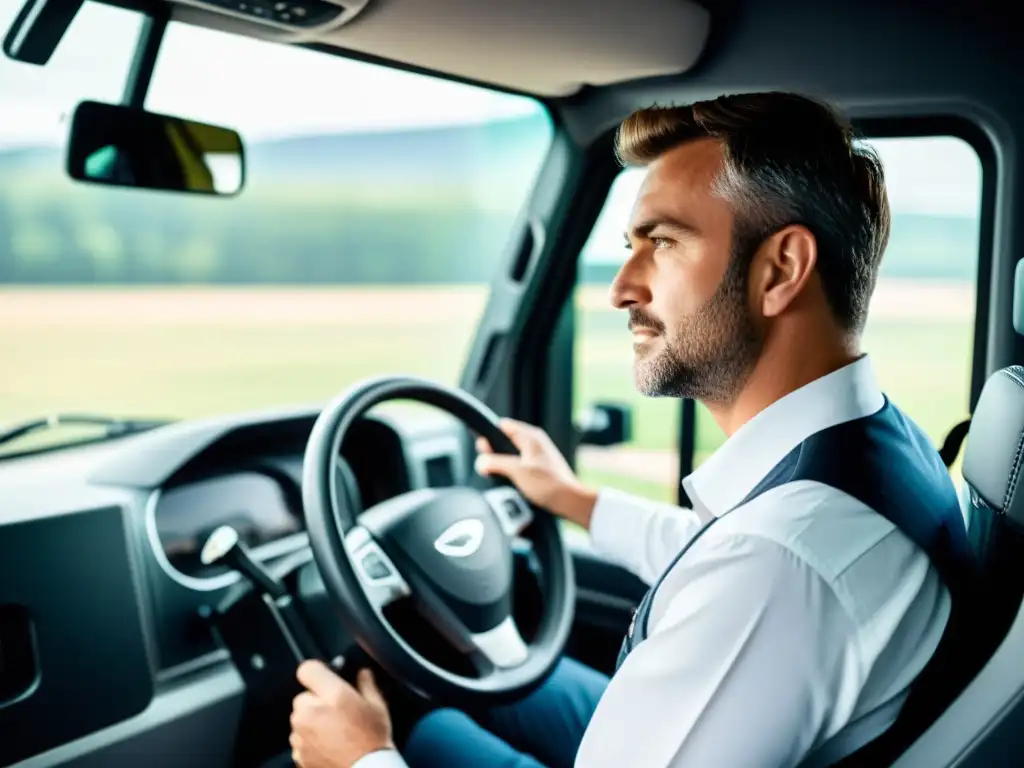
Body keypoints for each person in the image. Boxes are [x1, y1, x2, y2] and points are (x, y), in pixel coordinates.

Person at [287, 91, 974, 767]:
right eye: (629, 246)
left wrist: (362, 759)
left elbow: (757, 566)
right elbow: (716, 551)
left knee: (422, 728)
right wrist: (575, 500)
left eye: (663, 243)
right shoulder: (871, 441)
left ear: (780, 270)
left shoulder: (777, 567)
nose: (619, 286)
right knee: (492, 674)